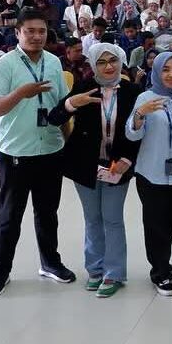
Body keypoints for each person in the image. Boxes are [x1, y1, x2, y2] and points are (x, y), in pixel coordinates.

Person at [0, 9, 75, 297]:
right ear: (18, 33)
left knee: (47, 213)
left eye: (41, 31)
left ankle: (50, 263)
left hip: (50, 149)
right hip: (15, 153)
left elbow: (61, 106)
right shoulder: (5, 65)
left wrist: (67, 142)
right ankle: (0, 272)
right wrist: (21, 93)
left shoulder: (54, 63)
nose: (36, 36)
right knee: (10, 217)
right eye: (30, 31)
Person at [43, 43, 141, 298]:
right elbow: (53, 119)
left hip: (118, 166)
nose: (108, 67)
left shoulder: (133, 91)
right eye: (101, 62)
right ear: (93, 65)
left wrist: (128, 159)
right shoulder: (84, 87)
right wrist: (70, 104)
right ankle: (95, 269)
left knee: (113, 218)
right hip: (85, 165)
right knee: (93, 218)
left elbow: (141, 130)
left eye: (113, 61)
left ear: (121, 62)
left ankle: (114, 273)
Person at [127, 52, 172, 297]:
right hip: (150, 172)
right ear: (156, 71)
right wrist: (140, 114)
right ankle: (159, 271)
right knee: (155, 224)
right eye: (165, 69)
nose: (171, 74)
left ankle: (163, 263)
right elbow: (132, 134)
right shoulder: (144, 98)